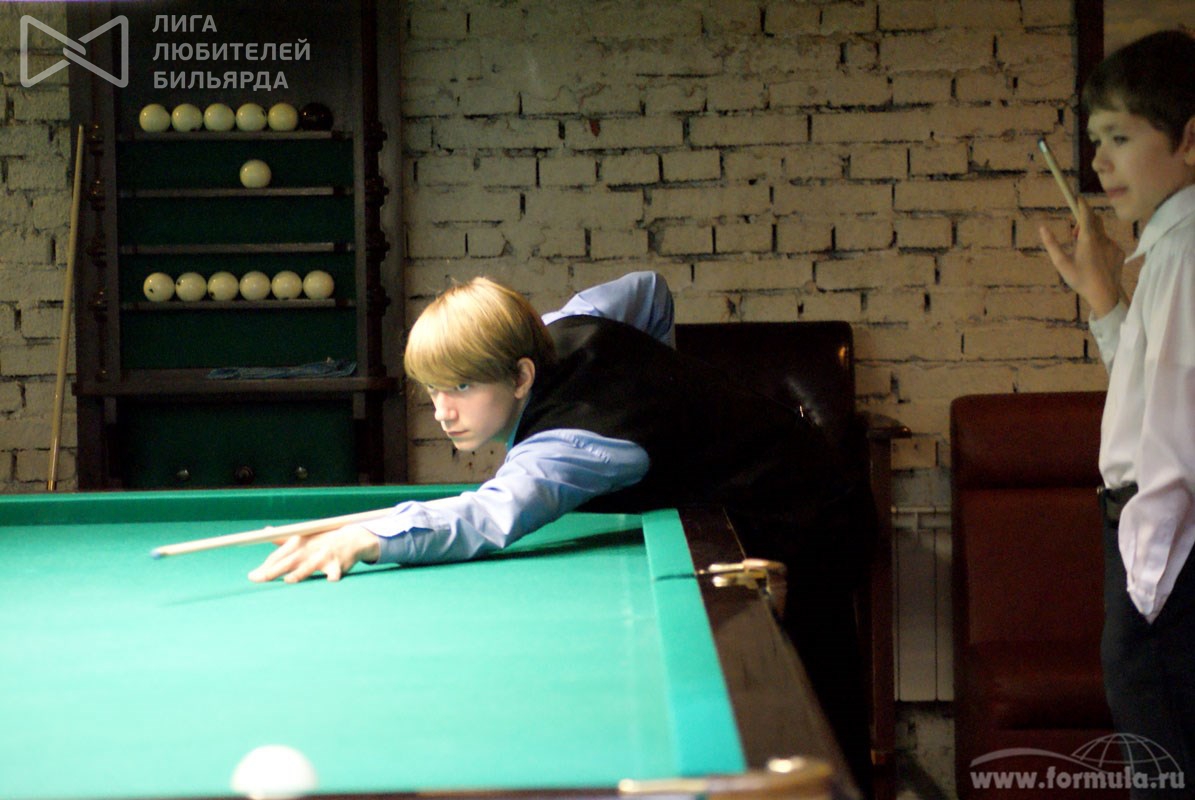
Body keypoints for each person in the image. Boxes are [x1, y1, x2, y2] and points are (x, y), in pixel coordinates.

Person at [249, 270, 875, 791]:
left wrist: (369, 538)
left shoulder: (574, 444)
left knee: (812, 709)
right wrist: (662, 390)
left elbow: (488, 517)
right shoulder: (558, 327)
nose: (443, 412)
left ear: (522, 376)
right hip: (777, 475)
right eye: (434, 390)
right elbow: (648, 290)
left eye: (462, 387)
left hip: (808, 516)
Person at [1039, 30, 1195, 796]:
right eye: (1094, 139)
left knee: (1163, 776)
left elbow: (1173, 441)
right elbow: (1146, 398)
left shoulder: (1184, 252)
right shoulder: (1167, 248)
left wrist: (1144, 589)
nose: (1097, 161)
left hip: (1166, 558)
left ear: (1190, 141)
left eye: (1119, 137)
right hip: (1156, 549)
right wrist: (1102, 295)